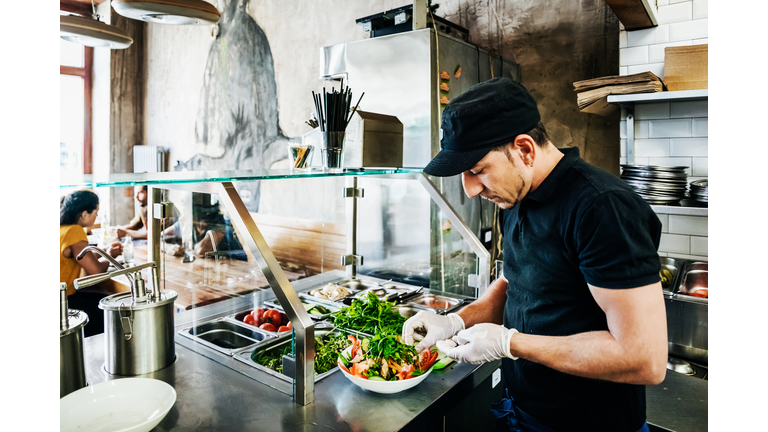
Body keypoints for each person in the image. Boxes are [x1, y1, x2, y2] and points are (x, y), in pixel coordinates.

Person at [402, 78, 667, 432]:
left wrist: (510, 343)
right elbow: (515, 283)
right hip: (523, 413)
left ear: (525, 149)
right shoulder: (514, 197)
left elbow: (644, 359)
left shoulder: (601, 208)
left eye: (477, 170)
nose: (470, 189)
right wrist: (456, 321)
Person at [60, 190, 123, 337]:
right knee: (109, 310)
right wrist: (110, 256)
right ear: (84, 214)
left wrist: (105, 251)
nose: (97, 216)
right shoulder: (74, 231)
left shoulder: (62, 229)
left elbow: (81, 257)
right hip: (64, 302)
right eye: (96, 212)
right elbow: (96, 270)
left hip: (64, 297)